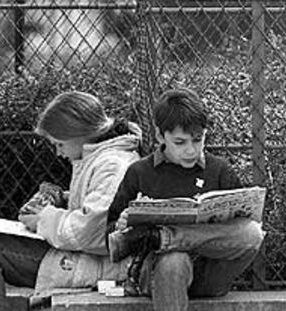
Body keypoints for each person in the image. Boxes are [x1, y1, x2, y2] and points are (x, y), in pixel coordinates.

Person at [0, 91, 142, 311]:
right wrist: (61, 199)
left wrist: (42, 219)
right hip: (80, 256)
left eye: (59, 144)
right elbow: (100, 207)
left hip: (95, 264)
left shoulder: (112, 164)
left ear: (79, 134)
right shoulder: (100, 156)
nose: (58, 153)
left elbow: (92, 232)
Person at [106, 88, 265, 311]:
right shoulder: (140, 172)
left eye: (198, 140)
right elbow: (109, 236)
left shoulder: (219, 170)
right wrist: (122, 225)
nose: (191, 150)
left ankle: (164, 237)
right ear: (160, 136)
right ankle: (166, 243)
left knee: (251, 232)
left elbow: (243, 231)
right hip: (158, 272)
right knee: (174, 259)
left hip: (210, 273)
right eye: (180, 142)